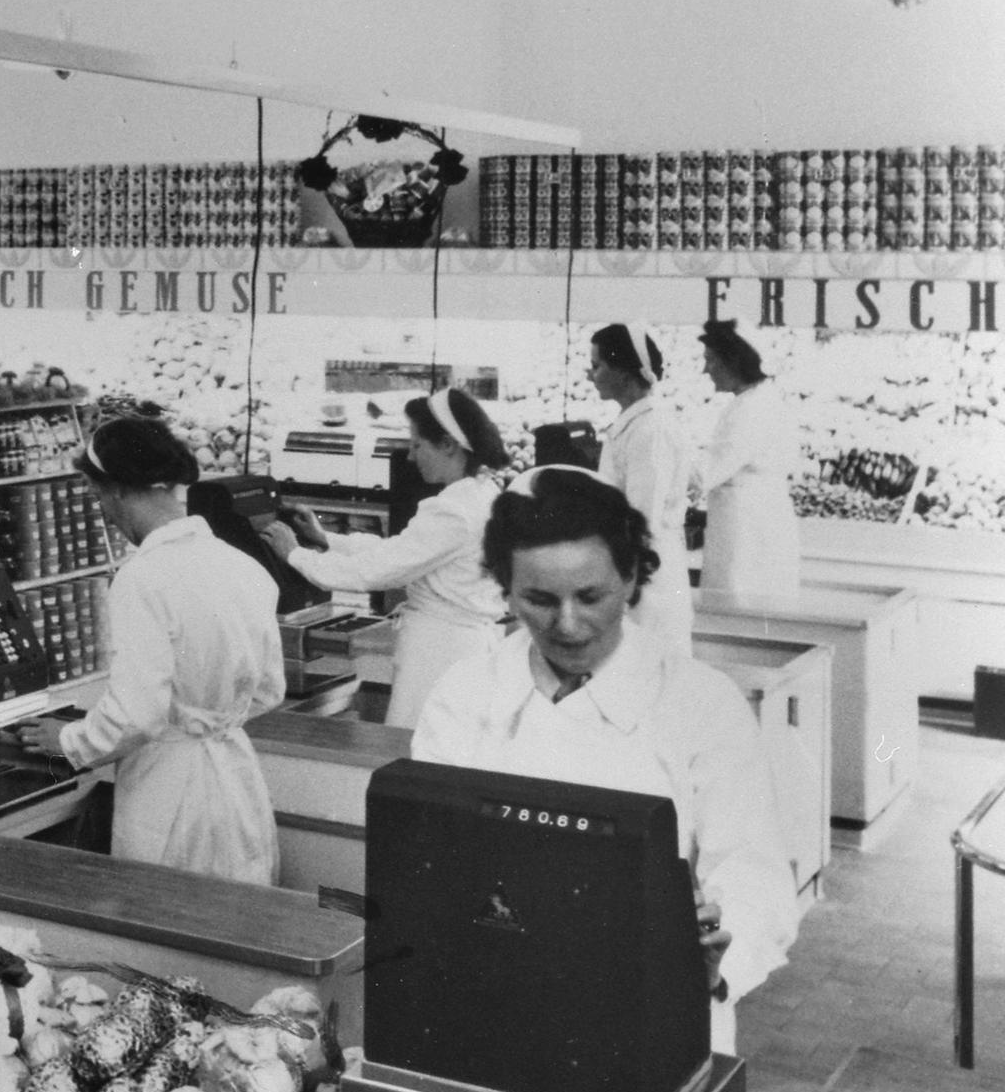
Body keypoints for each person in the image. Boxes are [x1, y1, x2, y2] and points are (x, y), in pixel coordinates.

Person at [412, 465, 798, 1053]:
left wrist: (720, 953)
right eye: (538, 599)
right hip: (498, 992)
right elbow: (432, 853)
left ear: (633, 577)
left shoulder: (700, 703)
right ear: (505, 590)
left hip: (654, 1008)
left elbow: (753, 872)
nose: (568, 625)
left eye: (590, 596)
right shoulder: (465, 693)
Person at [13, 414, 286, 883]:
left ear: (117, 489)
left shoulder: (143, 577)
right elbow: (268, 690)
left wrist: (65, 741)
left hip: (170, 788)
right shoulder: (242, 566)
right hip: (236, 780)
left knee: (169, 931)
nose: (103, 511)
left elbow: (137, 715)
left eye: (98, 495)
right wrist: (205, 714)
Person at [261, 385, 510, 729]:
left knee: (422, 750)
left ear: (449, 445)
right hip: (458, 648)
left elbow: (374, 572)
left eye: (416, 445)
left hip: (440, 654)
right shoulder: (482, 494)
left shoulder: (453, 511)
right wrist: (326, 539)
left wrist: (295, 555)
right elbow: (401, 551)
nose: (410, 457)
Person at [588, 321, 696, 651]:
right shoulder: (639, 422)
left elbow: (640, 517)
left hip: (647, 575)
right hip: (635, 566)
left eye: (597, 366)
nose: (591, 375)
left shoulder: (651, 430)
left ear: (623, 371)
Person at [697, 318, 802, 600]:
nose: (705, 369)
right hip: (753, 522)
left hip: (748, 531)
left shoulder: (751, 410)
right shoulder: (755, 400)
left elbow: (708, 471)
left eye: (711, 360)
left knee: (741, 604)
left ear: (733, 362)